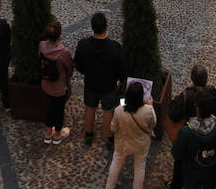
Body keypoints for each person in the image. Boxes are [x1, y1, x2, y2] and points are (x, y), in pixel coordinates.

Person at [74, 11, 127, 148]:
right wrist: (119, 80)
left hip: (91, 84)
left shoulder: (83, 45)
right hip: (109, 86)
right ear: (106, 27)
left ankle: (89, 134)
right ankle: (109, 138)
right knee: (108, 111)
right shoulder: (115, 47)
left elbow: (78, 65)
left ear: (92, 27)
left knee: (90, 108)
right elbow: (122, 69)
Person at [105, 80, 156, 189]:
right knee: (139, 167)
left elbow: (113, 128)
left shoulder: (119, 110)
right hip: (141, 144)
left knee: (116, 162)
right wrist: (150, 105)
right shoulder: (148, 110)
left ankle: (109, 186)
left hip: (123, 143)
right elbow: (153, 124)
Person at [171, 86, 216, 189]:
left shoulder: (186, 131)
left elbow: (177, 153)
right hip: (210, 170)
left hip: (191, 172)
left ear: (197, 108)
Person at [39, 18, 75, 145]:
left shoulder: (42, 45)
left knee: (49, 108)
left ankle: (48, 133)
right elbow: (69, 68)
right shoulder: (63, 52)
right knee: (59, 110)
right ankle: (58, 135)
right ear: (60, 35)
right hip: (59, 87)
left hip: (45, 84)